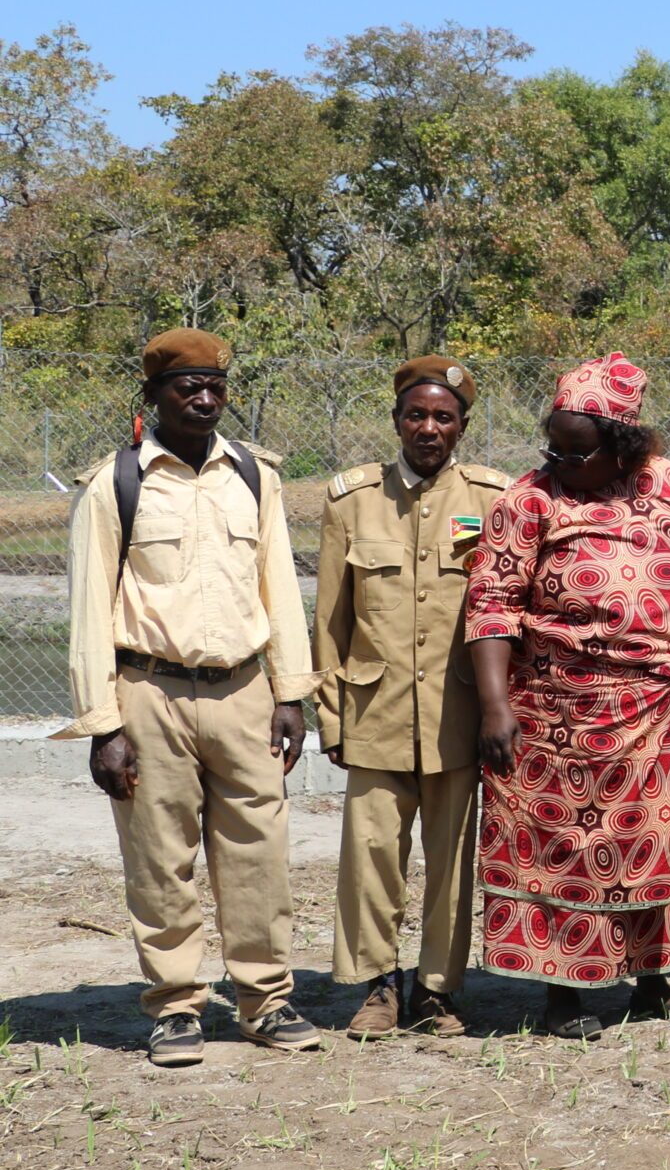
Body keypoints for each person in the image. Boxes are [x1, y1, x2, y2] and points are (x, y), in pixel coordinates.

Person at [60, 329, 323, 1067]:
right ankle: (175, 1006)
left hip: (244, 690)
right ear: (153, 398)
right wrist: (103, 724)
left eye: (214, 386)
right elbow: (87, 614)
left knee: (258, 852)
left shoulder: (255, 476)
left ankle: (265, 998)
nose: (204, 399)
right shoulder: (114, 484)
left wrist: (291, 691)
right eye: (186, 388)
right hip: (150, 692)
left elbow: (279, 584)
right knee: (159, 855)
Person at [464, 353, 670, 1039]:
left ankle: (652, 980)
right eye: (553, 445)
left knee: (652, 843)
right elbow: (492, 602)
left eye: (577, 450)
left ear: (620, 446)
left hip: (656, 709)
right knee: (565, 850)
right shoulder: (529, 499)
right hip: (558, 709)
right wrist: (496, 704)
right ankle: (565, 994)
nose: (561, 459)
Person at [314, 355, 511, 1039]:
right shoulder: (351, 500)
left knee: (453, 861)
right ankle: (377, 985)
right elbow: (331, 620)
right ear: (396, 419)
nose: (429, 428)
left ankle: (436, 989)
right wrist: (331, 714)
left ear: (461, 425)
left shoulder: (491, 499)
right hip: (375, 710)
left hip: (458, 714)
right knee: (371, 857)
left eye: (444, 417)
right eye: (416, 415)